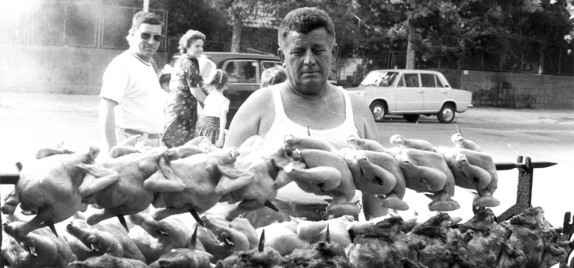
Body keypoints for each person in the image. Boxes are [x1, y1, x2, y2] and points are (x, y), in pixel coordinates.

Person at [223, 7, 385, 225]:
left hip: (346, 233)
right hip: (270, 234)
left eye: (317, 50)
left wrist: (381, 232)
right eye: (298, 52)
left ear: (333, 53)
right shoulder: (260, 104)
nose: (309, 60)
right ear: (282, 57)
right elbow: (227, 178)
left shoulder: (356, 107)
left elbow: (376, 188)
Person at [99, 11, 167, 152]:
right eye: (145, 35)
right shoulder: (122, 65)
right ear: (132, 34)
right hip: (131, 145)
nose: (151, 42)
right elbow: (106, 108)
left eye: (157, 37)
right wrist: (113, 151)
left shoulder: (149, 64)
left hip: (152, 145)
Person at [161, 30, 208, 148]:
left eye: (202, 46)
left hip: (174, 106)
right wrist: (210, 104)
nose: (200, 49)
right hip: (183, 110)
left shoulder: (181, 60)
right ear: (187, 46)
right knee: (181, 146)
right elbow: (195, 90)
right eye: (197, 46)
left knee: (170, 144)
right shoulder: (190, 63)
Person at [195, 69, 230, 147]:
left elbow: (203, 115)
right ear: (225, 84)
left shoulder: (208, 98)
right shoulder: (224, 100)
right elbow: (222, 118)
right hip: (215, 132)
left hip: (203, 130)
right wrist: (221, 137)